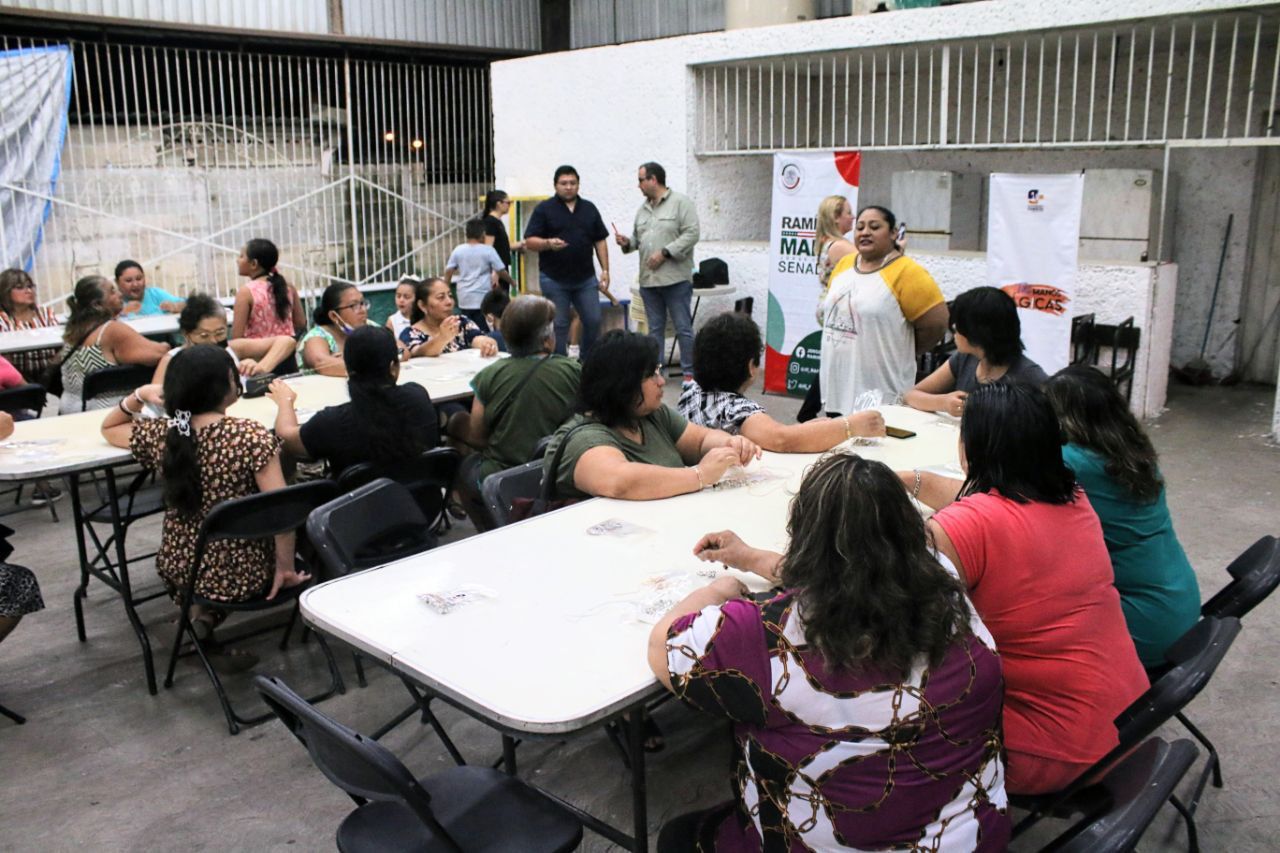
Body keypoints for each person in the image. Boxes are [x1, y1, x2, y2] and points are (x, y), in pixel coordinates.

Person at [649, 453, 1009, 851]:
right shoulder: (947, 588)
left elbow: (663, 648)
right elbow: (862, 573)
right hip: (969, 835)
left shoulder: (770, 635)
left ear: (802, 539)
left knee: (678, 836)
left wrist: (717, 591)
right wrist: (750, 556)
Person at [905, 382, 1148, 795]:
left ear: (971, 447)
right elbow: (981, 500)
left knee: (890, 696)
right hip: (1129, 719)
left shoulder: (969, 524)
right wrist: (912, 481)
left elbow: (896, 611)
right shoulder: (1073, 497)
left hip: (1059, 750)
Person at [100, 346, 309, 670]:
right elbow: (280, 512)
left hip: (182, 567)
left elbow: (110, 428)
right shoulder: (249, 436)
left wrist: (138, 395)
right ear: (226, 387)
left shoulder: (166, 435)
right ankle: (202, 621)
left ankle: (200, 619)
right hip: (246, 573)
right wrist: (285, 569)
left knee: (211, 550)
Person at [1045, 365, 1201, 668]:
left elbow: (998, 479)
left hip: (1146, 623)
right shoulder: (1134, 449)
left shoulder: (1072, 462)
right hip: (1180, 605)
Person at [543, 330, 760, 500]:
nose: (662, 381)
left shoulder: (650, 414)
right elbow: (621, 482)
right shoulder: (584, 438)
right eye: (652, 375)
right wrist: (699, 475)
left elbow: (699, 440)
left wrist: (730, 444)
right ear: (622, 384)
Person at [452, 296, 581, 529]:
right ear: (548, 339)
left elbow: (477, 437)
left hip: (503, 476)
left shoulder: (487, 377)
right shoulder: (572, 370)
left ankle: (488, 531)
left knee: (465, 468)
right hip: (558, 471)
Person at [679, 311, 886, 451]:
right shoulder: (736, 410)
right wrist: (851, 425)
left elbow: (781, 433)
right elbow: (782, 439)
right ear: (751, 366)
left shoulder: (690, 390)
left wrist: (805, 430)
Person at [820, 205, 948, 415]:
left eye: (874, 227)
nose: (865, 232)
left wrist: (903, 348)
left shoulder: (908, 272)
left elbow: (936, 324)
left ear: (893, 233)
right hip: (838, 389)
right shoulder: (844, 265)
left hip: (881, 392)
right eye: (860, 227)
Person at [270, 326, 439, 479]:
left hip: (359, 504)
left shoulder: (332, 422)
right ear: (393, 367)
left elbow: (286, 438)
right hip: (420, 500)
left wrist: (285, 401)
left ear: (348, 369)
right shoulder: (417, 398)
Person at [613, 161, 700, 378]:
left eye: (641, 180)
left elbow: (692, 234)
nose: (638, 185)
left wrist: (665, 253)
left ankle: (690, 375)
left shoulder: (681, 203)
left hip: (675, 280)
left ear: (653, 180)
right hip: (649, 281)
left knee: (683, 328)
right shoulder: (642, 210)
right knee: (654, 330)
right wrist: (626, 242)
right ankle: (656, 373)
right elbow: (637, 240)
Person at [905, 286, 1048, 417]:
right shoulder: (965, 358)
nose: (954, 334)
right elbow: (911, 395)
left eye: (957, 328)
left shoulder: (1030, 376)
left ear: (975, 333)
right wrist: (944, 402)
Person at [523, 165, 612, 359]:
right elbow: (529, 241)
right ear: (555, 185)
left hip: (585, 278)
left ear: (578, 185)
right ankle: (560, 364)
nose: (569, 187)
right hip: (553, 278)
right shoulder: (544, 209)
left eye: (573, 183)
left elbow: (600, 240)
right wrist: (547, 243)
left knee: (594, 319)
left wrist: (605, 270)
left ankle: (587, 362)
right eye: (564, 183)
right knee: (558, 324)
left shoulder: (589, 208)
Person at [56, 275, 170, 414]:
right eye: (112, 291)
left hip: (69, 408)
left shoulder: (72, 329)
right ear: (97, 305)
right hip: (106, 411)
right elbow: (160, 354)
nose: (120, 294)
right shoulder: (110, 331)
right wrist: (165, 345)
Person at [797, 195, 857, 422]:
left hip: (830, 306)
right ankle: (828, 410)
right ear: (835, 217)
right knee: (837, 362)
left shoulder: (827, 242)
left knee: (832, 360)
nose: (853, 217)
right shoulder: (840, 246)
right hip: (838, 309)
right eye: (848, 213)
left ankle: (812, 410)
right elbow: (874, 264)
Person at [151, 293, 296, 387]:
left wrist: (261, 367)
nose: (214, 341)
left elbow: (287, 341)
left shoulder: (233, 349)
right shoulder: (172, 360)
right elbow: (154, 400)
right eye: (204, 335)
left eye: (220, 332)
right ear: (186, 334)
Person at [399, 277, 498, 359]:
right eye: (441, 297)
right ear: (422, 305)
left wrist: (487, 344)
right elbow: (418, 352)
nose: (449, 302)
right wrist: (443, 338)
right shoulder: (410, 333)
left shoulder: (461, 322)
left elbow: (477, 338)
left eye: (450, 296)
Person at [444, 218, 511, 332]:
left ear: (467, 234)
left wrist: (446, 287)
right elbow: (500, 269)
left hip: (464, 297)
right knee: (483, 329)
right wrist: (512, 282)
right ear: (482, 234)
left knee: (466, 328)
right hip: (482, 297)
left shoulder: (458, 250)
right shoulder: (488, 250)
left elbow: (449, 270)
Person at [232, 238, 306, 339]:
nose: (237, 260)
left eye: (241, 256)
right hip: (287, 347)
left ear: (254, 264)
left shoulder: (246, 292)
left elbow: (237, 337)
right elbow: (301, 323)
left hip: (257, 349)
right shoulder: (288, 287)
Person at [0, 268, 61, 384]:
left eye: (30, 286)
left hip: (52, 371)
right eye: (20, 287)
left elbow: (61, 345)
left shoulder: (45, 313)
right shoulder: (2, 319)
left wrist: (50, 370)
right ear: (5, 292)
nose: (28, 291)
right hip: (18, 376)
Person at [298, 283, 372, 377]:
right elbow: (322, 363)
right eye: (354, 305)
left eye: (362, 303)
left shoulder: (370, 327)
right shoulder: (318, 336)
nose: (363, 310)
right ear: (333, 316)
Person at [115, 260, 184, 316]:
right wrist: (124, 313)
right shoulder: (115, 302)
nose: (135, 284)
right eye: (128, 280)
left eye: (139, 279)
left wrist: (175, 306)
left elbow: (187, 305)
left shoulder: (155, 294)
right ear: (117, 282)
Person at [482, 189, 524, 268]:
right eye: (508, 203)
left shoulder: (497, 221)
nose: (509, 206)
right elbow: (488, 248)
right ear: (499, 204)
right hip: (495, 269)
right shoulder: (491, 222)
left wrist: (521, 244)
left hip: (501, 267)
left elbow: (502, 245)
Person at [385, 274, 419, 345]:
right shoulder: (392, 321)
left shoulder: (425, 318)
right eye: (398, 296)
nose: (401, 300)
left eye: (406, 297)